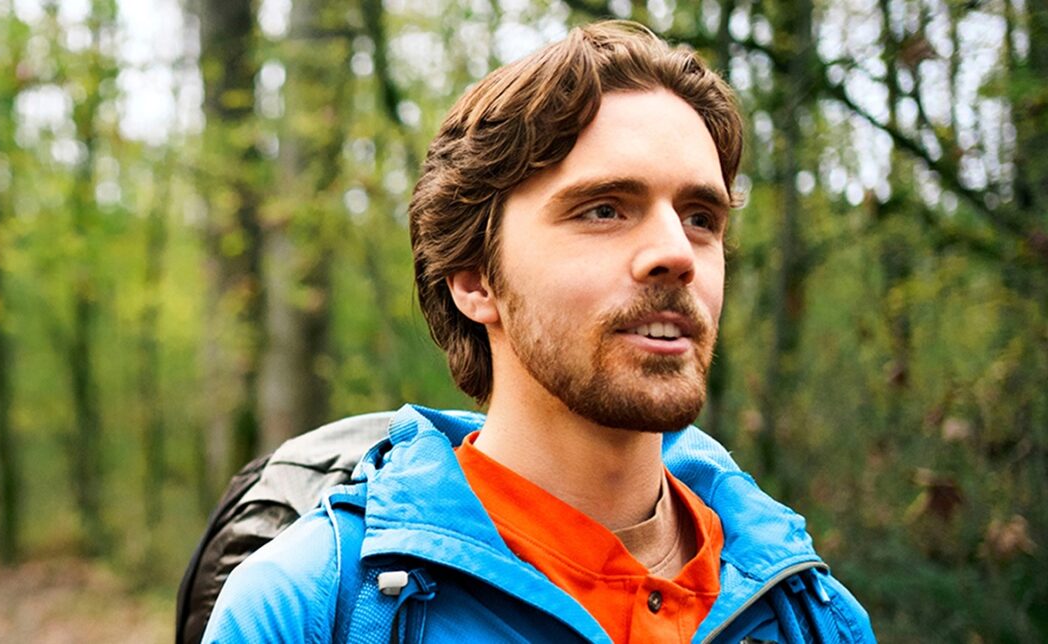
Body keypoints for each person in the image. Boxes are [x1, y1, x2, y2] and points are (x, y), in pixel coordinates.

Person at [203, 21, 875, 642]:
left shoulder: (813, 616)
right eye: (605, 209)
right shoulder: (308, 608)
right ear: (475, 280)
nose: (677, 252)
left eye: (701, 218)